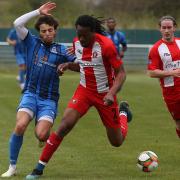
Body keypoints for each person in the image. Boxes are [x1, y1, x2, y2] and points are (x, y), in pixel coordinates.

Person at [25, 12, 133, 180]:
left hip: (105, 94)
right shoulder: (77, 43)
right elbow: (82, 66)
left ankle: (123, 113)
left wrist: (112, 93)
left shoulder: (106, 46)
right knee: (64, 125)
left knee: (116, 141)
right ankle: (38, 169)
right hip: (84, 91)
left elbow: (121, 73)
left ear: (93, 32)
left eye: (84, 35)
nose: (81, 39)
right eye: (78, 34)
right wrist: (68, 65)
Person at [1, 2, 75, 178]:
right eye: (43, 31)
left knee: (41, 135)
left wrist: (68, 63)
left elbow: (80, 63)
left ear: (55, 30)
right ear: (39, 33)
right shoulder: (31, 42)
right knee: (20, 125)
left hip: (49, 99)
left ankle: (42, 138)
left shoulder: (62, 50)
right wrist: (38, 12)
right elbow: (17, 23)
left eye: (50, 30)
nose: (47, 33)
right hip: (30, 94)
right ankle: (12, 167)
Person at [147, 15, 180, 137]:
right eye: (164, 27)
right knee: (178, 123)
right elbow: (151, 72)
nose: (166, 30)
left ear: (174, 28)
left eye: (169, 27)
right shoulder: (156, 49)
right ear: (160, 29)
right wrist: (172, 72)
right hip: (171, 93)